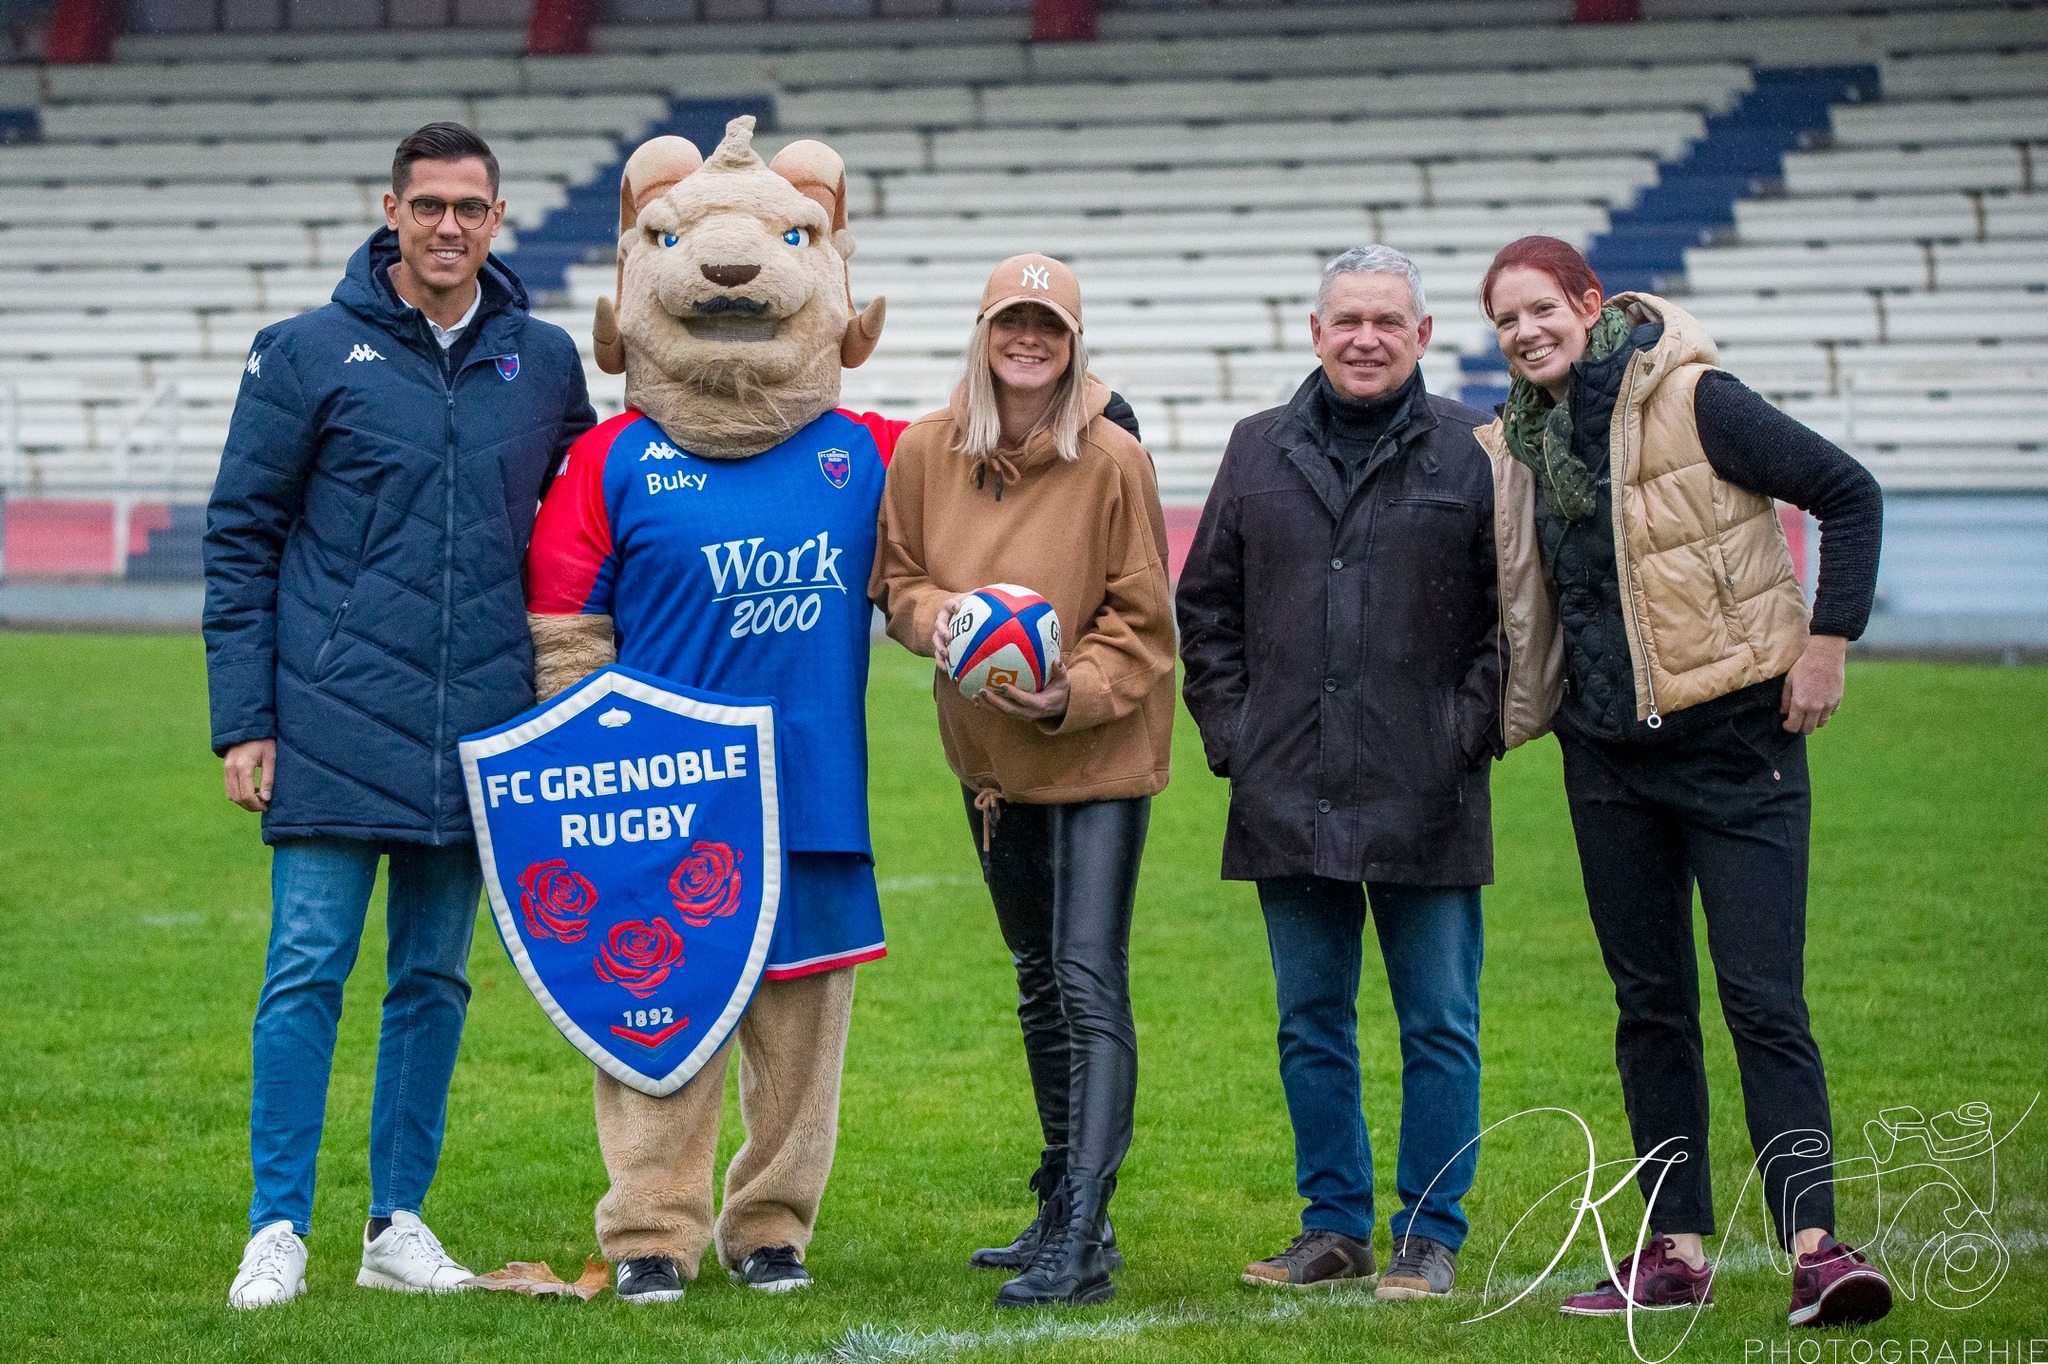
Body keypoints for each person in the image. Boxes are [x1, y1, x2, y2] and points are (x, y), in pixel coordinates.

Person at [204, 122, 595, 1309]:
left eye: (468, 207)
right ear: (390, 210)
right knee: (306, 969)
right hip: (328, 719)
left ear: (497, 217)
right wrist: (245, 719)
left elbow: (578, 545)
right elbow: (240, 541)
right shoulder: (304, 353)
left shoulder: (545, 360)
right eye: (425, 205)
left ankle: (394, 1222)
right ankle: (276, 1226)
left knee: (433, 977)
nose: (446, 226)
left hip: (480, 727)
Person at [1474, 236, 1892, 1329]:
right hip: (1605, 754)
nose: (1524, 332)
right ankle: (1674, 1251)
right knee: (1648, 1006)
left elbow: (1847, 493)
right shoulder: (1521, 440)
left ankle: (1814, 1246)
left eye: (1538, 309)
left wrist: (1826, 640)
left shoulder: (1694, 396)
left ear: (1588, 302)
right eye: (1504, 321)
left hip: (1735, 740)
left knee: (1761, 999)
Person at [1176, 245, 1498, 1301]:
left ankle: (1429, 1230)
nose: (1364, 337)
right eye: (1345, 319)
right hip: (1285, 786)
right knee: (1309, 1019)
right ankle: (1332, 1226)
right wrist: (1235, 733)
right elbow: (1206, 607)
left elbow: (1515, 618)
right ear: (1314, 334)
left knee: (1436, 1021)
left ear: (1421, 334)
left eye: (1385, 320)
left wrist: (1464, 729)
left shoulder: (1474, 451)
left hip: (1426, 785)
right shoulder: (1255, 445)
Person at [870, 254, 1175, 1308]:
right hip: (990, 763)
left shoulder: (1114, 460)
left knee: (1086, 978)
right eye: (1012, 321)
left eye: (1047, 324)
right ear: (984, 330)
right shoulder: (922, 450)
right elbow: (898, 581)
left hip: (1092, 750)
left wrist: (1071, 687)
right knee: (1037, 981)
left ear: (1073, 340)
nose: (1028, 339)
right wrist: (947, 625)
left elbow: (1143, 622)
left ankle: (1084, 1236)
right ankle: (1057, 1198)